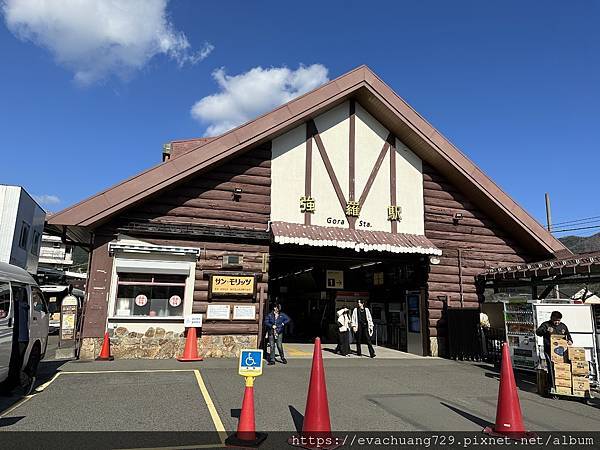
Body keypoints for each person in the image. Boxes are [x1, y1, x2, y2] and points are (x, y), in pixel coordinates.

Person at [535, 310, 573, 393]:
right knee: (551, 367)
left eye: (559, 320)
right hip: (549, 350)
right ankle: (552, 385)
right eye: (556, 320)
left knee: (562, 367)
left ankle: (563, 385)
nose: (557, 322)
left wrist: (570, 340)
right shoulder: (546, 324)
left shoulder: (563, 326)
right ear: (551, 318)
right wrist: (545, 330)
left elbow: (568, 336)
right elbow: (538, 332)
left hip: (562, 352)